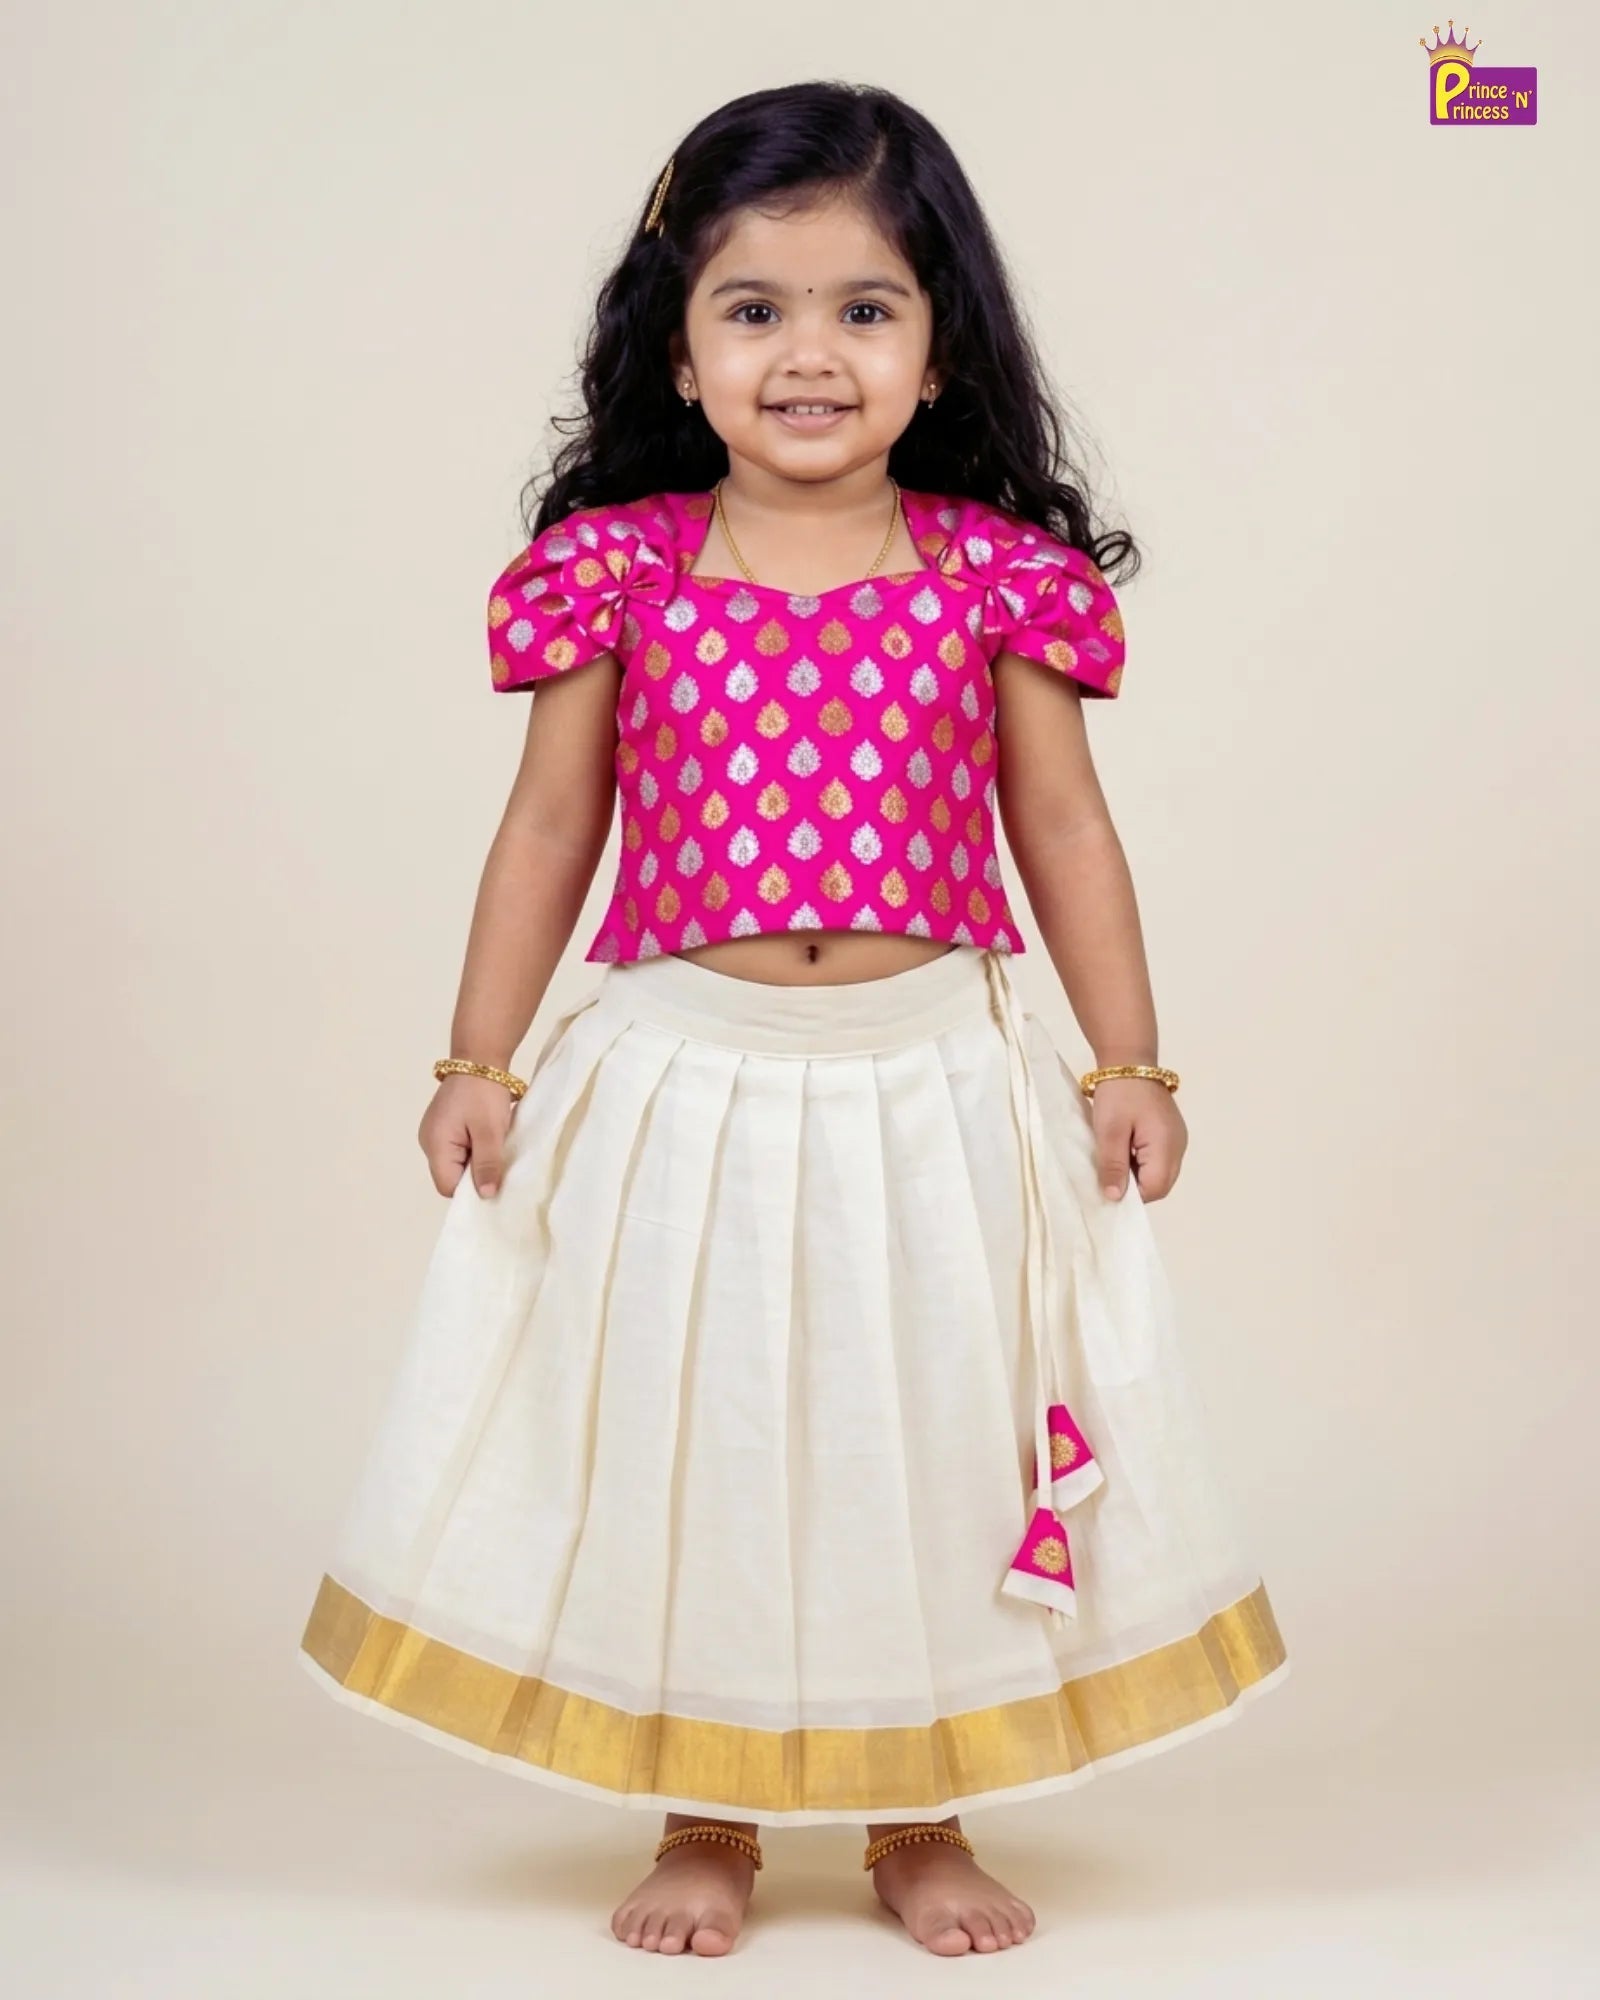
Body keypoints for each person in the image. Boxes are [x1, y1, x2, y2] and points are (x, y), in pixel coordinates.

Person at [297, 79, 1289, 1959]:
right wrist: (477, 1059)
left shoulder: (996, 581)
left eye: (865, 308)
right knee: (711, 1439)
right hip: (687, 1087)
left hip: (934, 1091)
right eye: (755, 309)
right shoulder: (621, 572)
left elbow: (1067, 830)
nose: (809, 354)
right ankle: (711, 1814)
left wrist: (1129, 1063)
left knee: (928, 1434)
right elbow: (549, 827)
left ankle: (920, 1812)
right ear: (679, 353)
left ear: (939, 350)